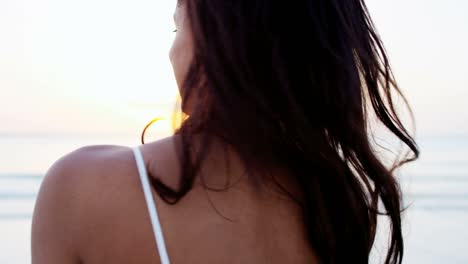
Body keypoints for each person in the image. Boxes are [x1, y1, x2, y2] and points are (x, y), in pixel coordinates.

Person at [31, 0, 419, 263]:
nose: (171, 51)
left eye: (177, 24)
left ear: (219, 33)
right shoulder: (337, 207)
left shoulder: (81, 189)